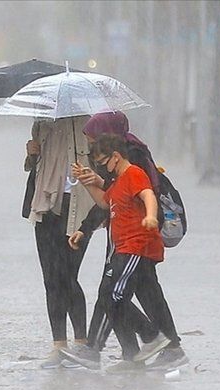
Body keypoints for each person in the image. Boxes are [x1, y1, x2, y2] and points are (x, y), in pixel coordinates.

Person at [62, 114, 187, 372]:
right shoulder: (118, 164)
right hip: (127, 237)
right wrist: (85, 224)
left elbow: (143, 194)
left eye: (95, 143)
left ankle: (123, 345)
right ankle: (147, 352)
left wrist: (150, 217)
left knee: (111, 293)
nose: (92, 152)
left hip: (136, 238)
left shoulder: (132, 161)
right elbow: (109, 200)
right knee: (145, 293)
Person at [23, 115, 96, 369]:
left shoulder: (88, 123)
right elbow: (34, 166)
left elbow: (102, 165)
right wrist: (31, 153)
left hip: (78, 207)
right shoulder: (41, 122)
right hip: (45, 206)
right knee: (51, 278)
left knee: (68, 275)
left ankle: (81, 342)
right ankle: (59, 345)